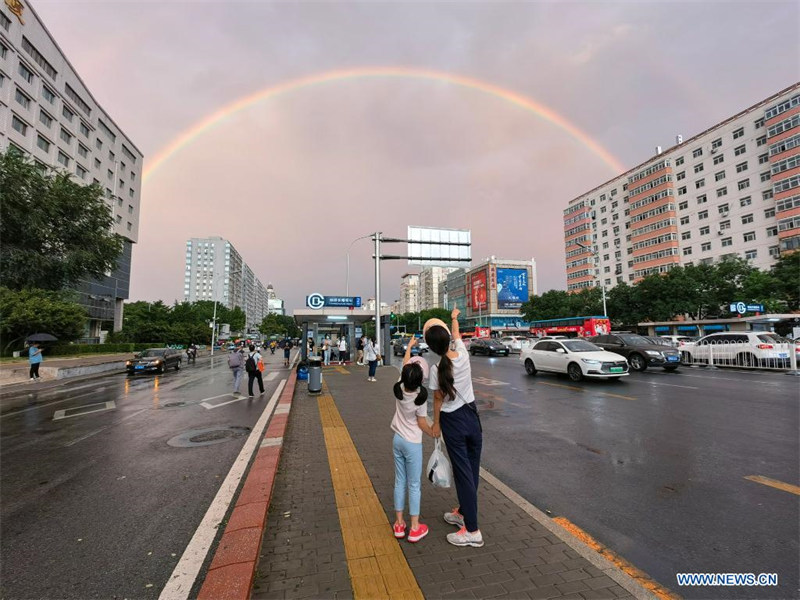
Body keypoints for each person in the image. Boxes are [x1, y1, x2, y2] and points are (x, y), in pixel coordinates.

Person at [425, 307, 484, 548]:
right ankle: (462, 512)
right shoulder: (463, 354)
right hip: (473, 418)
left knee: (463, 475)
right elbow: (458, 337)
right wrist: (454, 319)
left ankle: (472, 530)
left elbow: (437, 400)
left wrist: (435, 425)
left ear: (431, 348)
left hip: (453, 422)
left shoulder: (436, 369)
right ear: (448, 340)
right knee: (471, 470)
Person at [391, 337, 435, 543]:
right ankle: (415, 527)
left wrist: (409, 346)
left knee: (400, 481)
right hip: (412, 444)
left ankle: (399, 524)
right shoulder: (420, 396)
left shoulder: (399, 387)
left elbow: (406, 363)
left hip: (397, 440)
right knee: (414, 485)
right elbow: (422, 424)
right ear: (420, 379)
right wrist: (434, 432)